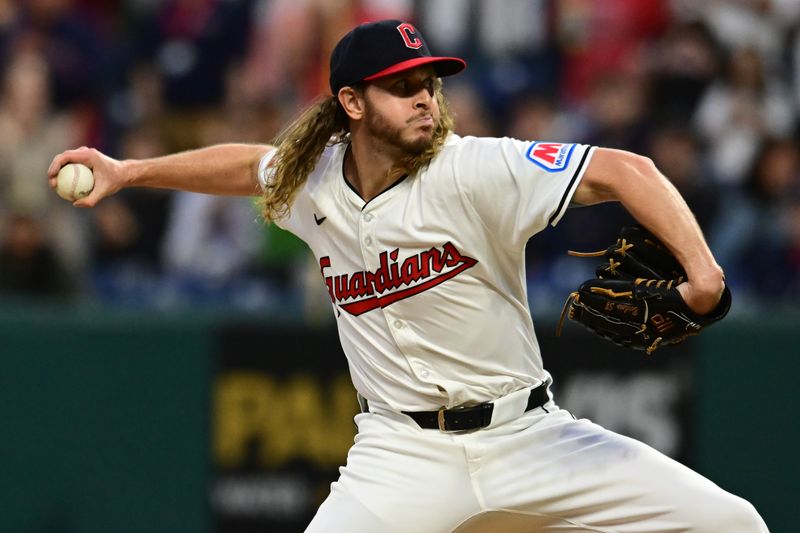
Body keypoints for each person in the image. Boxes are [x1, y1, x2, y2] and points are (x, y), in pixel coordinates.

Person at [48, 19, 768, 533]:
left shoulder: (475, 167)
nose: (425, 97)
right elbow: (248, 165)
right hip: (402, 454)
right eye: (401, 86)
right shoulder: (315, 182)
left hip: (529, 437)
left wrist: (702, 274)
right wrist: (129, 170)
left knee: (732, 522)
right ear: (352, 104)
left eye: (428, 82)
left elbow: (626, 169)